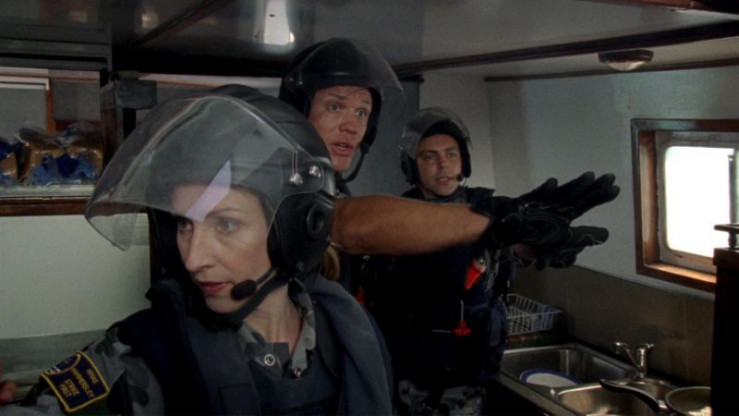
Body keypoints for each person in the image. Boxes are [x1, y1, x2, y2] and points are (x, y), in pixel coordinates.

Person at [0, 86, 393, 415]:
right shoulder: (150, 352)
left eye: (226, 225)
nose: (193, 258)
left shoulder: (351, 335)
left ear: (296, 230)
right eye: (184, 224)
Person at [278, 38, 620, 297]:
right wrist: (500, 219)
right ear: (296, 112)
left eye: (362, 112)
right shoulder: (281, 183)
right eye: (336, 107)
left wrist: (524, 242)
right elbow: (348, 224)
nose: (352, 126)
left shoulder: (330, 185)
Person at [365, 107, 570, 414]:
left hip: (473, 372)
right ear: (413, 165)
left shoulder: (489, 209)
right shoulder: (396, 216)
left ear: (464, 160)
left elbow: (506, 260)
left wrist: (533, 248)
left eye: (451, 154)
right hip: (413, 376)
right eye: (429, 157)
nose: (443, 165)